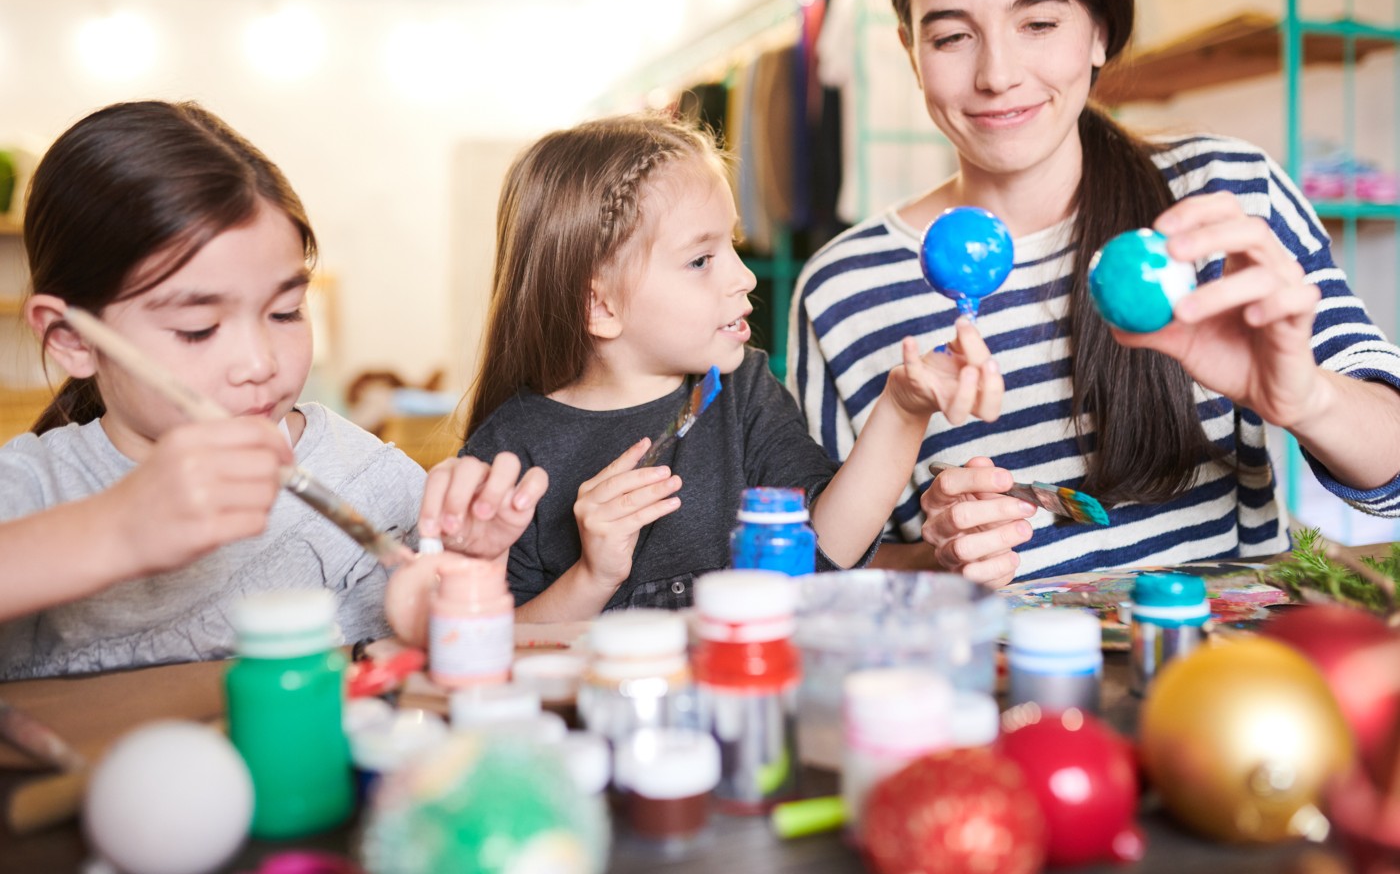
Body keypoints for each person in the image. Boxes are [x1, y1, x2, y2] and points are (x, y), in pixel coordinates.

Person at [789, 0, 1400, 588]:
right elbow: (816, 564)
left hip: (1226, 680)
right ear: (911, 51)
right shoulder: (843, 288)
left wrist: (1307, 398)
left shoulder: (1222, 202)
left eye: (1039, 24)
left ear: (1099, 32)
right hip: (990, 690)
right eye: (953, 36)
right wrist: (941, 555)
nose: (997, 74)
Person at [0, 100, 533, 680]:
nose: (259, 363)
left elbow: (420, 649)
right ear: (73, 339)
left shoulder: (368, 481)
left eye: (285, 312)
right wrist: (114, 529)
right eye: (198, 329)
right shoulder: (30, 489)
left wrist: (462, 581)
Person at [454, 112, 993, 620]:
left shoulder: (743, 391)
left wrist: (902, 408)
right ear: (600, 306)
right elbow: (492, 642)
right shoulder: (506, 456)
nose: (745, 278)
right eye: (700, 260)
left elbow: (825, 546)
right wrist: (592, 576)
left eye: (731, 245)